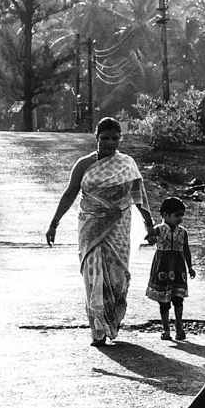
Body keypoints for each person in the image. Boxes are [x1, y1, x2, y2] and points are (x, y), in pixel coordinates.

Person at [46, 117, 156, 346]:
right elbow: (69, 194)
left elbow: (139, 196)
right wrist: (54, 223)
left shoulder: (127, 164)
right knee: (93, 277)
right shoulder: (83, 165)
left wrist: (150, 224)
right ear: (96, 138)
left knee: (117, 279)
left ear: (120, 139)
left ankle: (110, 322)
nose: (109, 143)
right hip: (90, 228)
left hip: (119, 227)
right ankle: (97, 329)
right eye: (104, 138)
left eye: (114, 138)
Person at [144, 197, 196, 341]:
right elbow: (148, 238)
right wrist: (150, 232)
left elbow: (186, 250)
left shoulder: (183, 232)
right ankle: (166, 329)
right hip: (162, 267)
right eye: (176, 215)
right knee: (164, 301)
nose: (180, 218)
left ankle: (179, 327)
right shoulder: (159, 230)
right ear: (166, 215)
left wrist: (190, 267)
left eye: (181, 215)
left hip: (179, 268)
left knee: (178, 298)